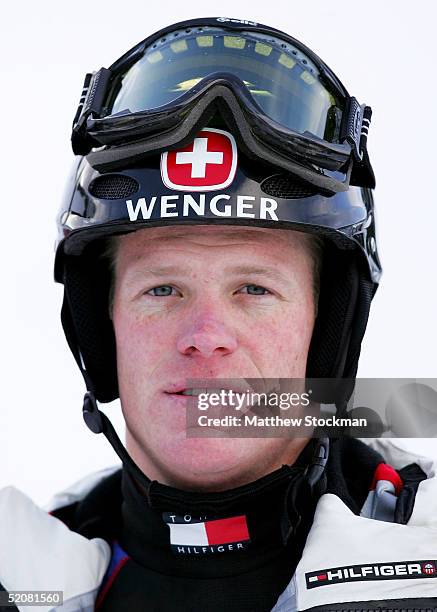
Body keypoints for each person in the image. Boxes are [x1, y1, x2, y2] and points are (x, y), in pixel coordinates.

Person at [1, 16, 437, 612]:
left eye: (254, 289)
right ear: (101, 330)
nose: (206, 338)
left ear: (326, 331)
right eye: (162, 290)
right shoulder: (20, 574)